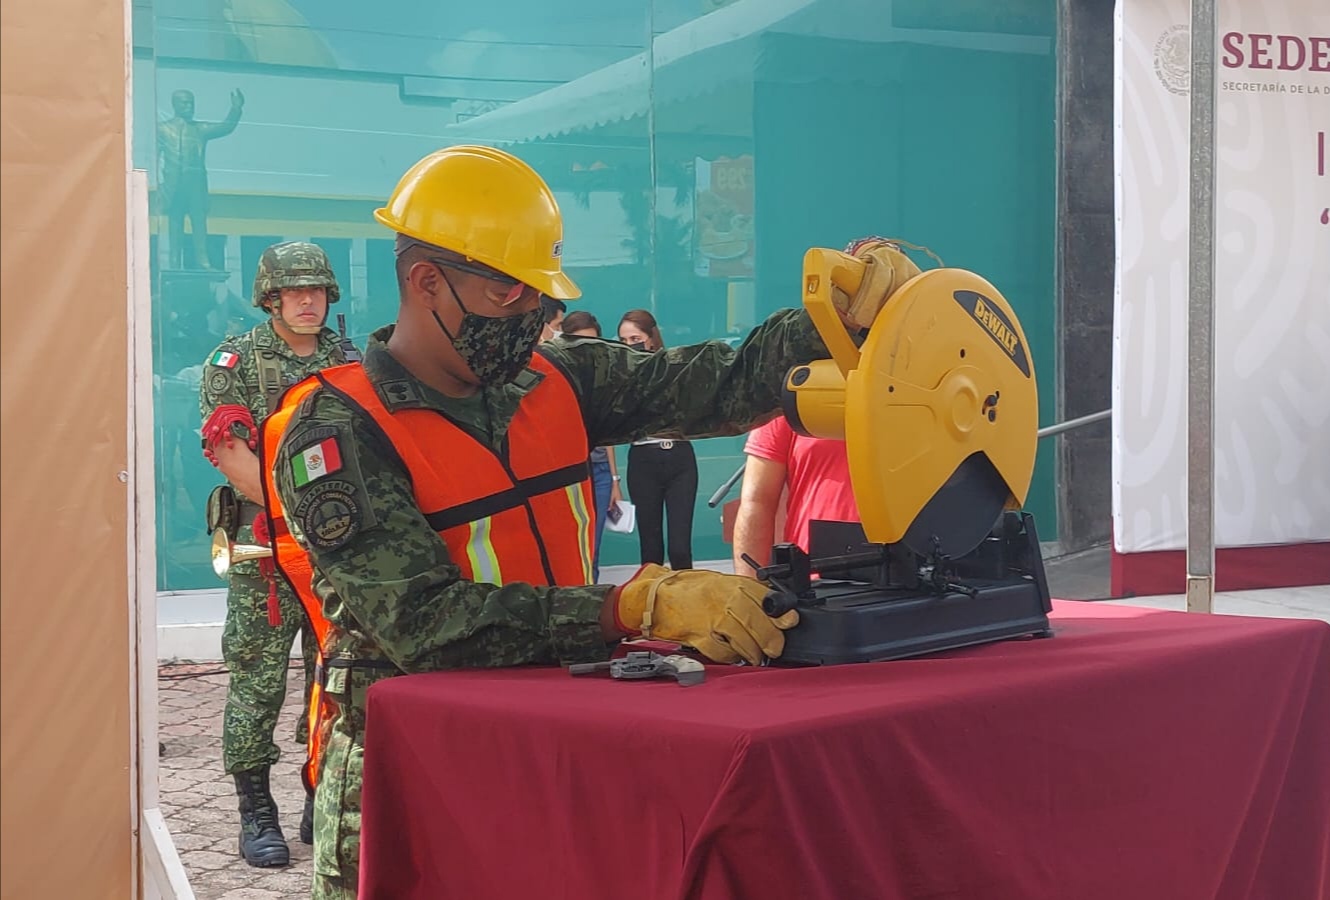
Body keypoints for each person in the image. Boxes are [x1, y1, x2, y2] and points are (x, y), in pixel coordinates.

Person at [261, 144, 918, 900]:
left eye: (539, 294)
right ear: (427, 281)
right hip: (411, 774)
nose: (530, 314)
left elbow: (716, 381)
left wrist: (829, 321)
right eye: (509, 290)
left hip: (556, 741)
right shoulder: (338, 430)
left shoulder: (557, 379)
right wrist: (629, 607)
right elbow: (423, 623)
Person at [199, 241, 361, 869]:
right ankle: (255, 809)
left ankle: (321, 793)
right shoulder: (234, 361)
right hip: (265, 549)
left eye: (316, 290)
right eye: (294, 291)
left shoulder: (349, 360)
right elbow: (230, 451)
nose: (306, 300)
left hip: (336, 551)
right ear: (271, 298)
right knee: (257, 680)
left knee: (335, 675)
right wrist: (297, 512)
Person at [732, 415, 860, 578]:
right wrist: (748, 585)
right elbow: (757, 502)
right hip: (811, 577)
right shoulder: (790, 405)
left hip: (891, 565)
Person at [618, 309, 698, 570]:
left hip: (678, 456)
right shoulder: (620, 376)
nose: (630, 345)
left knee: (679, 548)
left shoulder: (671, 368)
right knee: (650, 549)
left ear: (651, 339)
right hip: (643, 458)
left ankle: (685, 592)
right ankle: (652, 595)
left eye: (635, 339)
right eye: (624, 340)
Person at [561, 310, 622, 580]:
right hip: (569, 473)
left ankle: (591, 600)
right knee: (570, 549)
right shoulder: (555, 376)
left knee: (592, 549)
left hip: (599, 472)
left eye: (592, 342)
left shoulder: (602, 379)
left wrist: (614, 480)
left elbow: (607, 435)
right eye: (578, 342)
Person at [157, 88, 244, 269]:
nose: (189, 106)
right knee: (175, 225)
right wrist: (159, 183)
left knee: (199, 223)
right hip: (174, 184)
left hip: (195, 184)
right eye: (185, 103)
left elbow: (225, 127)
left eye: (191, 103)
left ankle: (202, 260)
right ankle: (174, 262)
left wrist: (236, 109)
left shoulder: (199, 129)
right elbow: (154, 157)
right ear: (175, 105)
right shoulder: (163, 129)